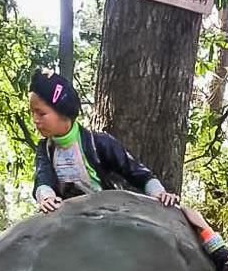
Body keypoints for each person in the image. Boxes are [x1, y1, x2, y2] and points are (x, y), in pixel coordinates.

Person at [29, 70, 178, 211]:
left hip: (106, 215)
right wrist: (47, 197)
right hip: (67, 218)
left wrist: (159, 193)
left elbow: (137, 172)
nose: (35, 120)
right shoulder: (45, 149)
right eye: (32, 113)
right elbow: (43, 179)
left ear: (63, 111)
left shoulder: (100, 143)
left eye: (41, 113)